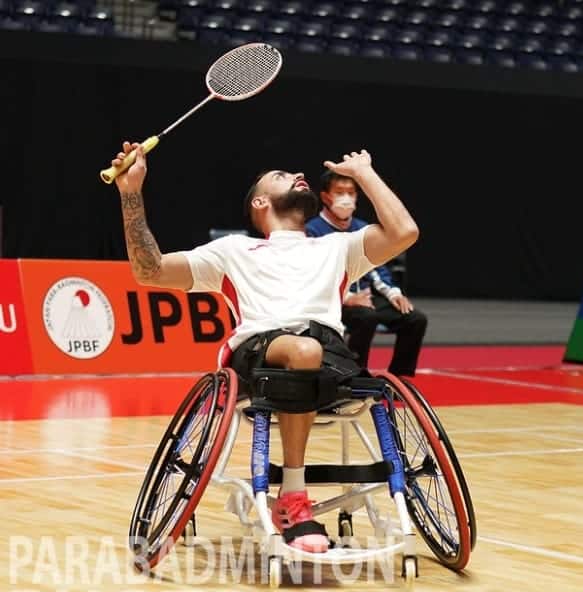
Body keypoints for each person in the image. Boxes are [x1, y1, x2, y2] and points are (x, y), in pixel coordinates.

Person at [110, 142, 418, 553]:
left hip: (328, 358)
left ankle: (298, 492)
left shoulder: (337, 247)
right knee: (304, 350)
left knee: (313, 352)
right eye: (281, 176)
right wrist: (131, 193)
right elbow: (150, 271)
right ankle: (293, 495)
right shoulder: (233, 250)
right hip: (258, 358)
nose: (298, 175)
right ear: (260, 202)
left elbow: (405, 232)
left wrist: (365, 173)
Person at [305, 170, 427, 376]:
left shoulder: (363, 228)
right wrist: (348, 298)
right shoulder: (311, 231)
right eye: (339, 192)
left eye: (351, 192)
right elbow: (315, 275)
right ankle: (354, 375)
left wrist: (394, 294)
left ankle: (400, 377)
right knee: (366, 317)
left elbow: (378, 268)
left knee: (415, 319)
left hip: (366, 297)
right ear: (325, 197)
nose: (346, 198)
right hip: (333, 300)